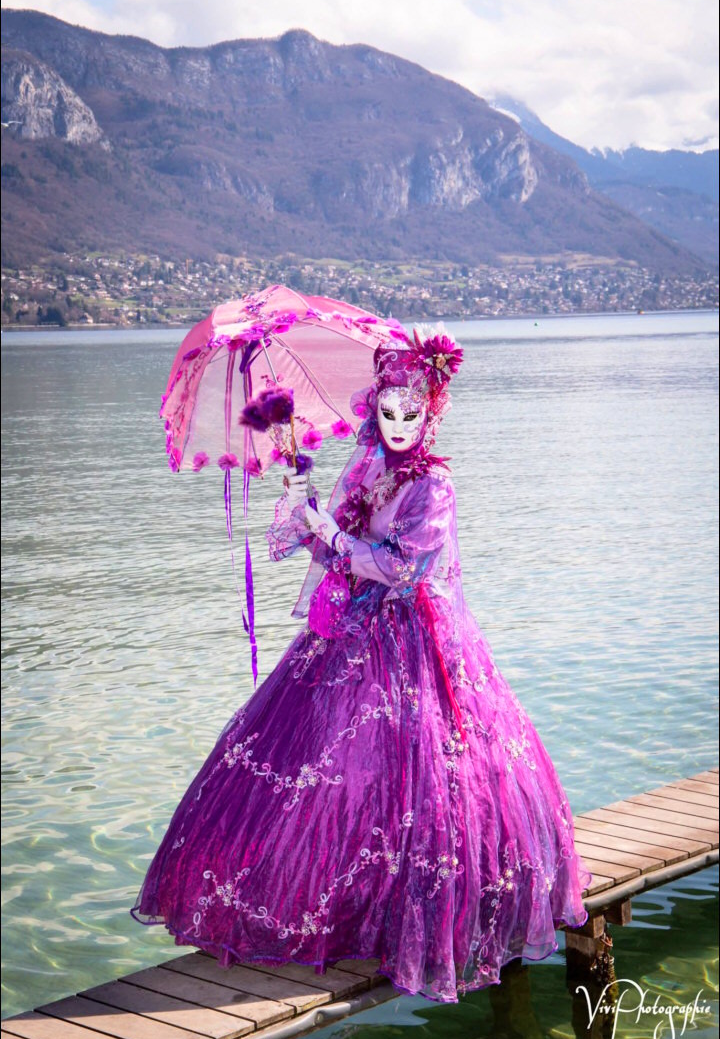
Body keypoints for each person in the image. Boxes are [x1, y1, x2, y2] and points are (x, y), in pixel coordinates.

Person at [130, 327, 592, 1004]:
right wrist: (305, 508)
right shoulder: (363, 465)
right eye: (387, 411)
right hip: (347, 633)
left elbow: (403, 568)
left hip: (418, 641)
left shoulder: (435, 486)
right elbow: (331, 554)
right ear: (374, 408)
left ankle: (423, 914)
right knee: (325, 772)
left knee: (426, 777)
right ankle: (339, 910)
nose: (398, 424)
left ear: (431, 412)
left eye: (412, 413)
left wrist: (334, 535)